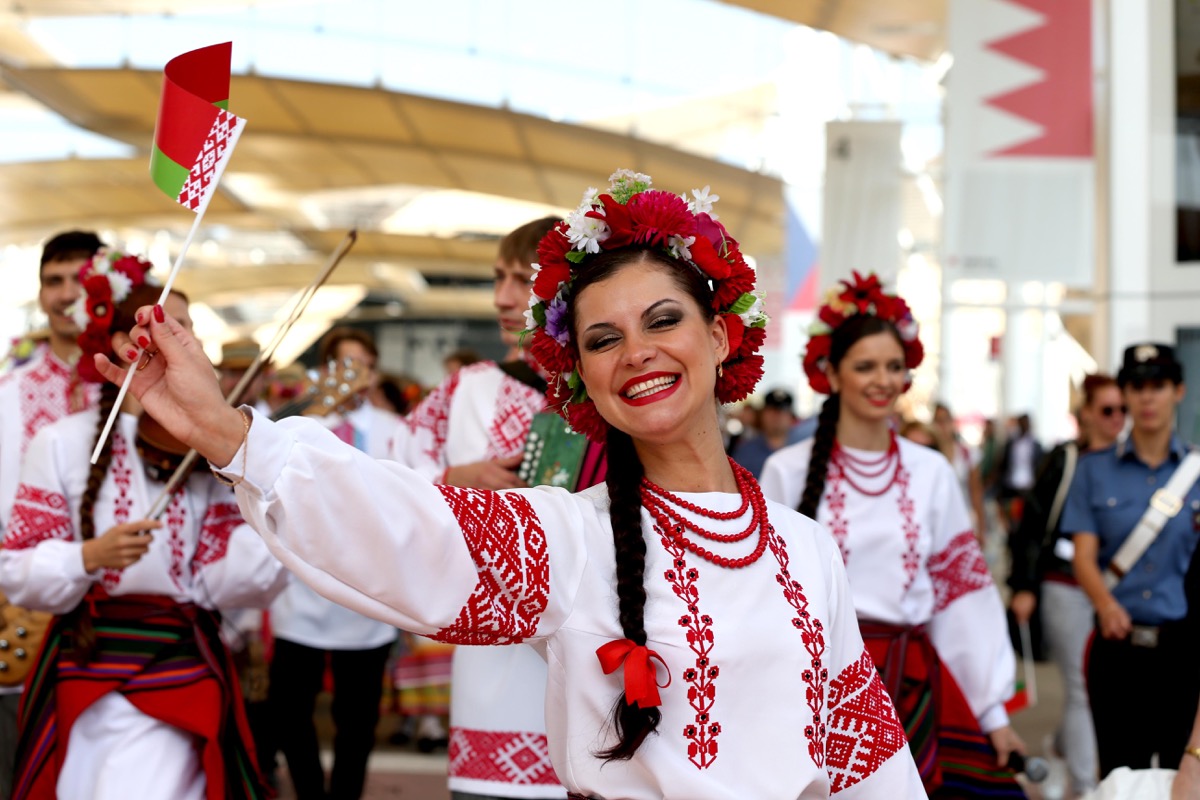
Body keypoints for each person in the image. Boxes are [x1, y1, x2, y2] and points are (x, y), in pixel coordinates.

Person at [98, 169, 924, 799]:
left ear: (720, 335)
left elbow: (868, 758)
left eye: (663, 320)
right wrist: (233, 438)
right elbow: (404, 531)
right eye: (603, 339)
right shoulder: (573, 537)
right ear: (583, 380)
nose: (636, 351)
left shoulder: (805, 547)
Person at [0, 251, 286, 800]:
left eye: (187, 330)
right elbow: (16, 570)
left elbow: (243, 579)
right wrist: (87, 557)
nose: (182, 344)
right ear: (124, 345)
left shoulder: (218, 447)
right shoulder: (60, 442)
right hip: (85, 654)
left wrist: (264, 493)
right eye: (163, 328)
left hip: (179, 653)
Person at [761, 272, 1026, 798]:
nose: (882, 379)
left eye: (893, 366)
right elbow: (765, 596)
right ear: (831, 374)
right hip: (821, 681)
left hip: (912, 676)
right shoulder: (787, 471)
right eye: (865, 366)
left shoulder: (931, 471)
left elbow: (961, 594)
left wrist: (990, 709)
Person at [400, 216, 566, 799]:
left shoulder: (612, 384)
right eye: (499, 278)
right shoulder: (468, 386)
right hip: (492, 652)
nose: (502, 298)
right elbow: (390, 480)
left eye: (522, 280)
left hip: (593, 656)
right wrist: (454, 477)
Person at [265, 325, 405, 800]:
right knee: (289, 710)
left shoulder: (391, 430)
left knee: (358, 719)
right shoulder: (298, 426)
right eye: (345, 364)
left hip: (367, 598)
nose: (356, 375)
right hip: (299, 592)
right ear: (327, 371)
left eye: (364, 365)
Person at [0, 230, 104, 799]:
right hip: (23, 613)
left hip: (121, 617)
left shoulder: (140, 389)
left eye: (79, 279)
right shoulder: (7, 394)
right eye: (53, 281)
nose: (66, 295)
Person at [1064, 343, 1200, 779]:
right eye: (1137, 386)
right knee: (1121, 777)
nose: (1147, 398)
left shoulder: (1197, 472)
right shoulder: (1093, 470)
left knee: (1186, 775)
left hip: (1184, 649)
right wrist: (1105, 604)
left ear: (1178, 390)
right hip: (1117, 648)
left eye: (1158, 386)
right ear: (1125, 394)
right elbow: (1083, 556)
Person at [1008, 373, 1125, 798]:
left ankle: (1061, 745)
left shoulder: (1130, 464)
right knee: (1082, 686)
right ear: (1086, 414)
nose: (1116, 419)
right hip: (1063, 583)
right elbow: (1031, 525)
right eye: (1107, 410)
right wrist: (1023, 585)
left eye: (1121, 410)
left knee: (1102, 686)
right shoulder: (1066, 460)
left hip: (1115, 589)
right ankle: (1085, 784)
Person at [932, 403, 987, 542]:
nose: (942, 426)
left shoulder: (966, 454)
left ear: (951, 422)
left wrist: (981, 527)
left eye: (945, 420)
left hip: (962, 519)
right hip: (935, 522)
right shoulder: (928, 454)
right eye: (938, 421)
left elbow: (976, 492)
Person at [730, 388, 814, 478]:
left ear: (791, 417)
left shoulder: (804, 449)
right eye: (771, 411)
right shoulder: (746, 450)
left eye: (782, 412)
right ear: (762, 415)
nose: (776, 417)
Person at [216, 337, 272, 415]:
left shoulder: (275, 422)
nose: (240, 381)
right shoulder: (208, 416)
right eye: (233, 373)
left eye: (246, 373)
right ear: (221, 379)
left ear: (262, 379)